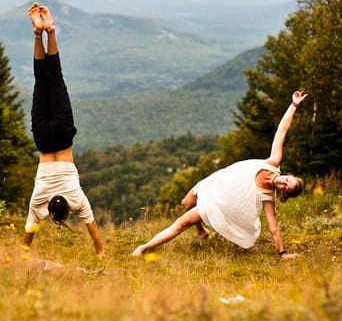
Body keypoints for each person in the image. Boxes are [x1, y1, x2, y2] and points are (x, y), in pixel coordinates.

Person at [132, 91, 308, 258]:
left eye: (286, 187)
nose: (283, 183)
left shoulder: (268, 197)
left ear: (284, 192)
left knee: (182, 223)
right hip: (215, 182)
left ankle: (143, 248)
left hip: (220, 203)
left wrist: (282, 253)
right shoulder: (273, 162)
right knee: (186, 203)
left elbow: (273, 228)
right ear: (288, 175)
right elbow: (282, 130)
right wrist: (294, 104)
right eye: (287, 180)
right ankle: (201, 230)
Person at [23, 2, 104, 257]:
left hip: (62, 133)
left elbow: (92, 227)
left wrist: (100, 250)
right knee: (42, 79)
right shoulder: (39, 200)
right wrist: (23, 248)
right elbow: (29, 231)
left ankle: (49, 31)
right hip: (44, 140)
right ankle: (39, 33)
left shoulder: (75, 198)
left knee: (54, 76)